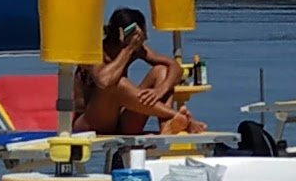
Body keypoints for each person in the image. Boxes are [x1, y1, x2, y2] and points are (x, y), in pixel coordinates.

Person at [73, 7, 206, 135]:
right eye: (141, 35)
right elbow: (104, 81)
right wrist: (128, 49)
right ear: (123, 34)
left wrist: (161, 90)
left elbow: (175, 67)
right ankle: (177, 116)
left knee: (161, 71)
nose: (145, 38)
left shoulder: (136, 48)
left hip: (122, 121)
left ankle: (167, 126)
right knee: (117, 83)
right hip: (89, 123)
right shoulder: (93, 53)